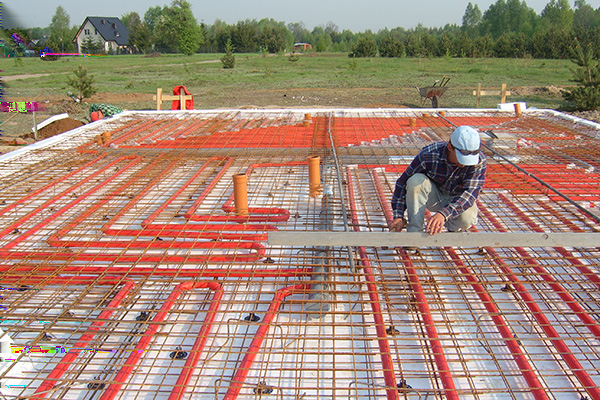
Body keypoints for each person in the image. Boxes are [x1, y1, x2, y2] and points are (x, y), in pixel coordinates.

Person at [389, 125, 486, 236]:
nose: (464, 164)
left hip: (458, 199)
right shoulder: (430, 154)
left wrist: (443, 214)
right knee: (415, 181)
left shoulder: (479, 160)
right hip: (434, 196)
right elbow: (402, 183)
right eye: (461, 158)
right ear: (450, 147)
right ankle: (414, 233)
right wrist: (398, 216)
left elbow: (470, 193)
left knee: (467, 219)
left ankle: (453, 229)